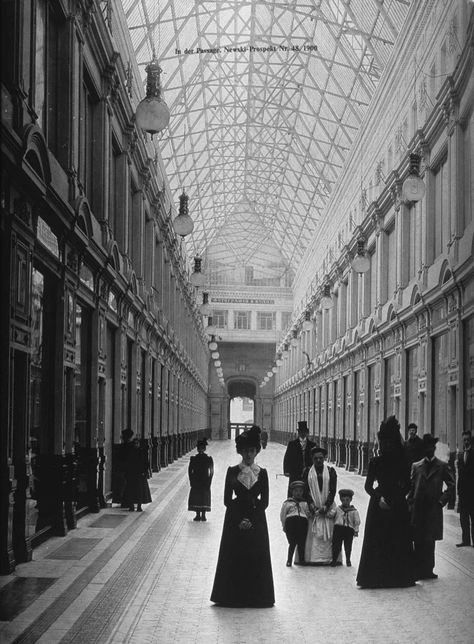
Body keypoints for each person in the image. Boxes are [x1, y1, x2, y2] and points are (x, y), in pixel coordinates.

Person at [210, 426, 274, 607]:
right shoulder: (232, 471)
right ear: (240, 451)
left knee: (256, 557)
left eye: (252, 451)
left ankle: (258, 597)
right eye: (245, 451)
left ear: (256, 452)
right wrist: (240, 519)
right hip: (235, 520)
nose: (248, 455)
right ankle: (232, 596)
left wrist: (251, 519)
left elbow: (265, 501)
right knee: (235, 557)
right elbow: (226, 500)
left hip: (256, 520)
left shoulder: (263, 473)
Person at [356, 416, 416, 588]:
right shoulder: (375, 462)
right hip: (379, 505)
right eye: (384, 442)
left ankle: (398, 577)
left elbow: (408, 485)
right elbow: (368, 486)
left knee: (396, 540)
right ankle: (376, 578)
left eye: (390, 442)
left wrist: (397, 497)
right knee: (378, 541)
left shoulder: (402, 462)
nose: (387, 446)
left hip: (397, 505)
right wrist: (378, 498)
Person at [408, 434, 455, 580]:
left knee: (430, 541)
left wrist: (442, 501)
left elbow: (451, 485)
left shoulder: (442, 466)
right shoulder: (416, 466)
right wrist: (409, 504)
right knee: (418, 539)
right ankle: (417, 569)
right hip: (418, 509)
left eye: (431, 447)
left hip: (433, 509)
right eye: (426, 447)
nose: (428, 450)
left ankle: (428, 570)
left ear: (434, 449)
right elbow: (411, 487)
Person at [301, 446, 338, 565]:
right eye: (315, 458)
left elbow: (332, 491)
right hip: (313, 506)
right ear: (312, 458)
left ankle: (328, 558)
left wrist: (326, 506)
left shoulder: (331, 472)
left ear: (324, 458)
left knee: (329, 533)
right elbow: (305, 490)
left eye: (321, 458)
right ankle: (312, 558)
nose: (318, 461)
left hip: (326, 505)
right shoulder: (307, 471)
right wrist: (311, 503)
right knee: (312, 532)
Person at [280, 480, 310, 567]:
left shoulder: (304, 503)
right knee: (292, 543)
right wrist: (284, 525)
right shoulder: (287, 503)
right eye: (296, 491)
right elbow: (283, 514)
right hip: (291, 523)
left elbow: (307, 513)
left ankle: (301, 560)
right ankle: (289, 560)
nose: (298, 493)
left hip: (302, 523)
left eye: (300, 491)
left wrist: (311, 513)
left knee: (301, 543)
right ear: (292, 492)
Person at [283, 420, 316, 494]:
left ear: (307, 433)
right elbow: (287, 458)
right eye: (301, 432)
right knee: (294, 491)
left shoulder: (312, 445)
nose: (302, 434)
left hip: (308, 473)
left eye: (304, 432)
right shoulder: (292, 444)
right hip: (295, 472)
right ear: (298, 433)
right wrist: (286, 470)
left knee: (307, 491)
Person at [331, 489, 360, 567]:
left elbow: (356, 521)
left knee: (348, 546)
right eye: (343, 500)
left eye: (347, 500)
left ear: (351, 500)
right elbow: (332, 515)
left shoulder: (354, 511)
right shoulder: (338, 509)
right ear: (340, 500)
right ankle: (334, 560)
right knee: (336, 545)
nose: (345, 502)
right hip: (338, 529)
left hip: (348, 530)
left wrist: (356, 530)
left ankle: (348, 560)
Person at [122, 437, 152, 512]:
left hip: (140, 475)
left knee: (140, 491)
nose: (136, 445)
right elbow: (127, 464)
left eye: (137, 443)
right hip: (132, 475)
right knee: (131, 491)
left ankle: (139, 506)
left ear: (139, 444)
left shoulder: (142, 452)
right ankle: (131, 506)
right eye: (135, 443)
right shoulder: (130, 452)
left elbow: (146, 463)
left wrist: (144, 472)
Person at [188, 438, 214, 521]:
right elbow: (212, 471)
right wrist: (210, 480)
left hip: (196, 480)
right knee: (204, 496)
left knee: (196, 496)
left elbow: (190, 471)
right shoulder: (209, 458)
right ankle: (203, 515)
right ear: (204, 448)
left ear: (197, 449)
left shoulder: (193, 459)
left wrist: (191, 480)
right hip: (205, 480)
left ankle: (198, 515)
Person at [456, 430, 474, 547]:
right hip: (463, 491)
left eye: (468, 439)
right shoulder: (460, 455)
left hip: (472, 491)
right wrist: (458, 490)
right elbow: (460, 475)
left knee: (473, 517)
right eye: (464, 440)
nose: (466, 442)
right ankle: (465, 540)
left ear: (471, 440)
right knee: (463, 518)